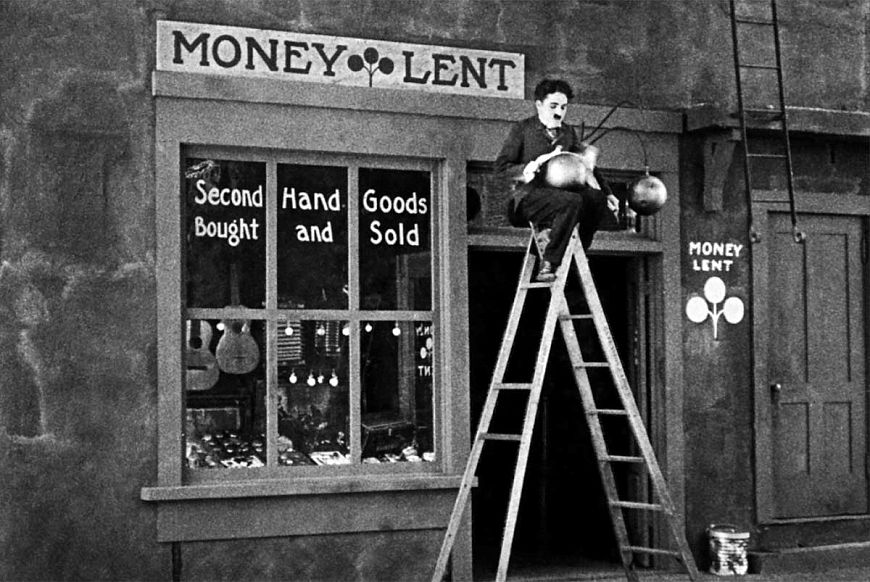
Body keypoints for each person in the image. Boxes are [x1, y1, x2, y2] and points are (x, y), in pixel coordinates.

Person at [495, 78, 619, 281]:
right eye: (553, 106)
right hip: (528, 199)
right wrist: (531, 166)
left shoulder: (568, 132)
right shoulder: (522, 129)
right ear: (539, 105)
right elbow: (501, 169)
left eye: (563, 107)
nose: (558, 113)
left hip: (560, 196)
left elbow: (585, 165)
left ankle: (577, 252)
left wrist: (608, 193)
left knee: (595, 199)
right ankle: (549, 263)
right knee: (571, 201)